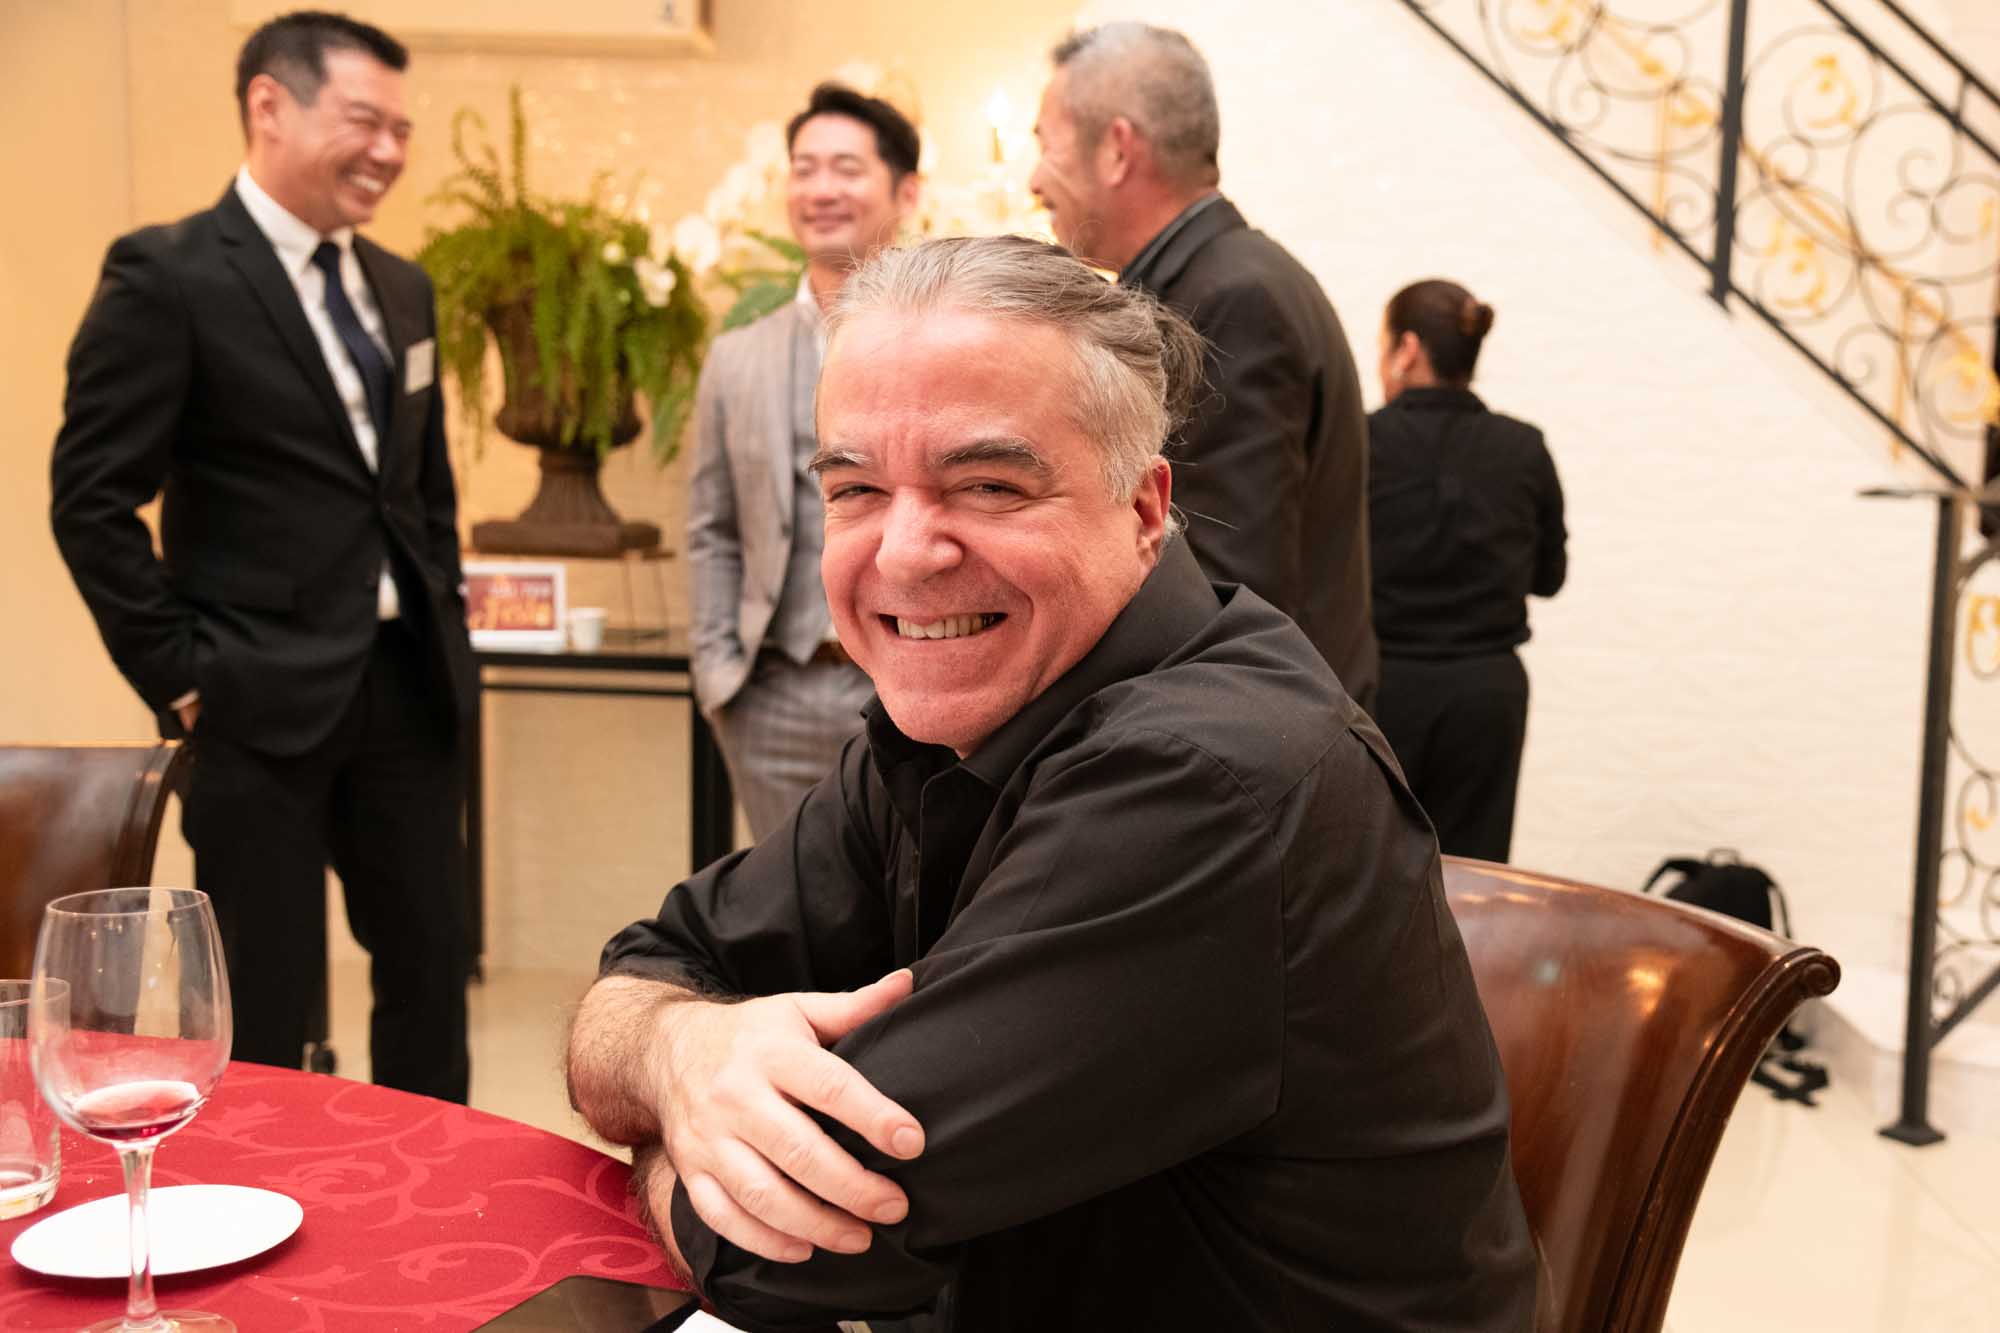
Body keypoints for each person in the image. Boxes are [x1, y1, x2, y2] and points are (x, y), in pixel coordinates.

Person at [565, 237, 1536, 1331]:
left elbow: (785, 1258)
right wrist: (682, 1049)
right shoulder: (951, 718)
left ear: (1144, 509)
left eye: (988, 485)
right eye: (856, 488)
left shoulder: (1205, 782)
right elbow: (651, 963)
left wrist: (665, 1122)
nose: (905, 553)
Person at [49, 10, 474, 1101]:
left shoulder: (403, 289)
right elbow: (91, 502)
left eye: (401, 129)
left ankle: (439, 1191)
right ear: (269, 104)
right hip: (250, 700)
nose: (388, 150)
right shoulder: (169, 275)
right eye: (364, 121)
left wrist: (447, 619)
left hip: (407, 691)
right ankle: (266, 1195)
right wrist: (183, 677)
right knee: (261, 1003)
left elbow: (419, 492)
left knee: (430, 979)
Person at [1028, 22, 1379, 705]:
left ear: (1118, 150)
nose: (1035, 180)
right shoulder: (1224, 276)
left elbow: (1222, 575)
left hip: (1251, 722)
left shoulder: (1228, 301)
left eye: (1046, 145)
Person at [687, 83, 923, 840]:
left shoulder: (943, 345)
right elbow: (712, 528)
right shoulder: (735, 358)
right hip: (772, 697)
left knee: (923, 895)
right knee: (788, 901)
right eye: (805, 168)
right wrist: (720, 675)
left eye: (847, 169)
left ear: (906, 191)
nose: (821, 189)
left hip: (913, 684)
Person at [1368, 279, 1567, 863]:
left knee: (1374, 867)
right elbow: (1549, 577)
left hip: (1381, 689)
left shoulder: (1360, 441)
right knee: (1475, 880)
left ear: (1407, 350)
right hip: (1487, 695)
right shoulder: (1524, 447)